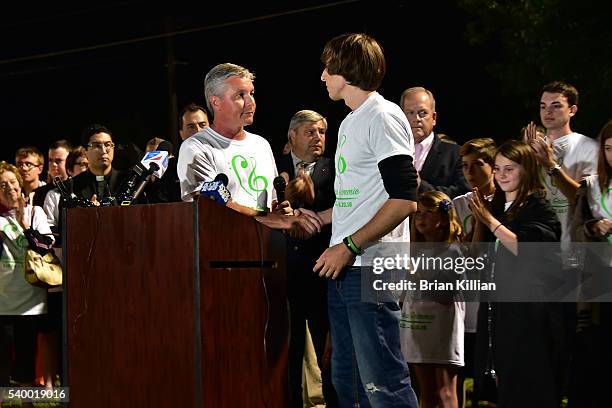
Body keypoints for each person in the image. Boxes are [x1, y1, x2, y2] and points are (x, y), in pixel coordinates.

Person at [312, 32, 419, 407]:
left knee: (383, 384)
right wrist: (315, 218)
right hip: (345, 266)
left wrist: (350, 245)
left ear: (346, 69)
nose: (323, 76)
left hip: (371, 266)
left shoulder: (383, 115)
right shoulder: (349, 122)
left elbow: (405, 199)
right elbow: (358, 199)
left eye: (328, 67)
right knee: (349, 383)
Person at [469, 140, 566, 407]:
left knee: (529, 385)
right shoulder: (497, 209)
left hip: (530, 315)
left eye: (509, 169)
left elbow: (527, 248)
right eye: (497, 168)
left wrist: (490, 221)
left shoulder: (539, 209)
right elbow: (478, 255)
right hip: (496, 311)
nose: (501, 175)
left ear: (526, 170)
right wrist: (483, 220)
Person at [276, 110, 337, 407]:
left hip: (323, 273)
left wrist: (315, 217)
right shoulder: (274, 167)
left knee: (329, 353)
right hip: (283, 274)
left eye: (322, 132)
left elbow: (347, 208)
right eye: (311, 132)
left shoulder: (335, 168)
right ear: (292, 136)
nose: (318, 138)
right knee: (289, 352)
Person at [178, 63, 279, 214]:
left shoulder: (261, 144)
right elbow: (209, 205)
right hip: (222, 237)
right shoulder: (196, 147)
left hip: (266, 237)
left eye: (252, 93)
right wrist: (266, 219)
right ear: (216, 102)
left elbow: (272, 200)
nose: (251, 102)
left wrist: (282, 211)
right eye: (240, 95)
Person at [401, 191, 465, 408]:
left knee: (445, 391)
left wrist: (415, 273)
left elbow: (444, 293)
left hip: (441, 326)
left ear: (444, 218)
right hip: (417, 325)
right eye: (418, 213)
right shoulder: (414, 252)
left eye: (429, 213)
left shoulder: (452, 252)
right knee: (426, 391)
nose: (421, 218)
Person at [0, 161, 53, 387]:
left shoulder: (35, 212)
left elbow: (45, 245)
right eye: (2, 184)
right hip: (3, 299)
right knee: (2, 360)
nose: (9, 187)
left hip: (31, 299)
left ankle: (26, 402)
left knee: (26, 359)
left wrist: (25, 227)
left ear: (20, 185)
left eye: (13, 182)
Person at [527, 81, 598, 244]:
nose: (548, 112)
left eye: (556, 106)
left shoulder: (589, 148)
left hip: (572, 250)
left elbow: (587, 203)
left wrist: (550, 165)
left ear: (572, 110)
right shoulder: (530, 148)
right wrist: (525, 161)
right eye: (543, 106)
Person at [400, 87, 469, 198]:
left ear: (434, 118)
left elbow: (463, 194)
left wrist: (420, 186)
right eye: (410, 113)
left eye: (423, 113)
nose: (416, 118)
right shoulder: (389, 150)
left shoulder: (456, 154)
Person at [67, 124, 126, 204]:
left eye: (108, 145)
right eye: (97, 146)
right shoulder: (73, 187)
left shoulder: (126, 182)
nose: (104, 151)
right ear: (85, 151)